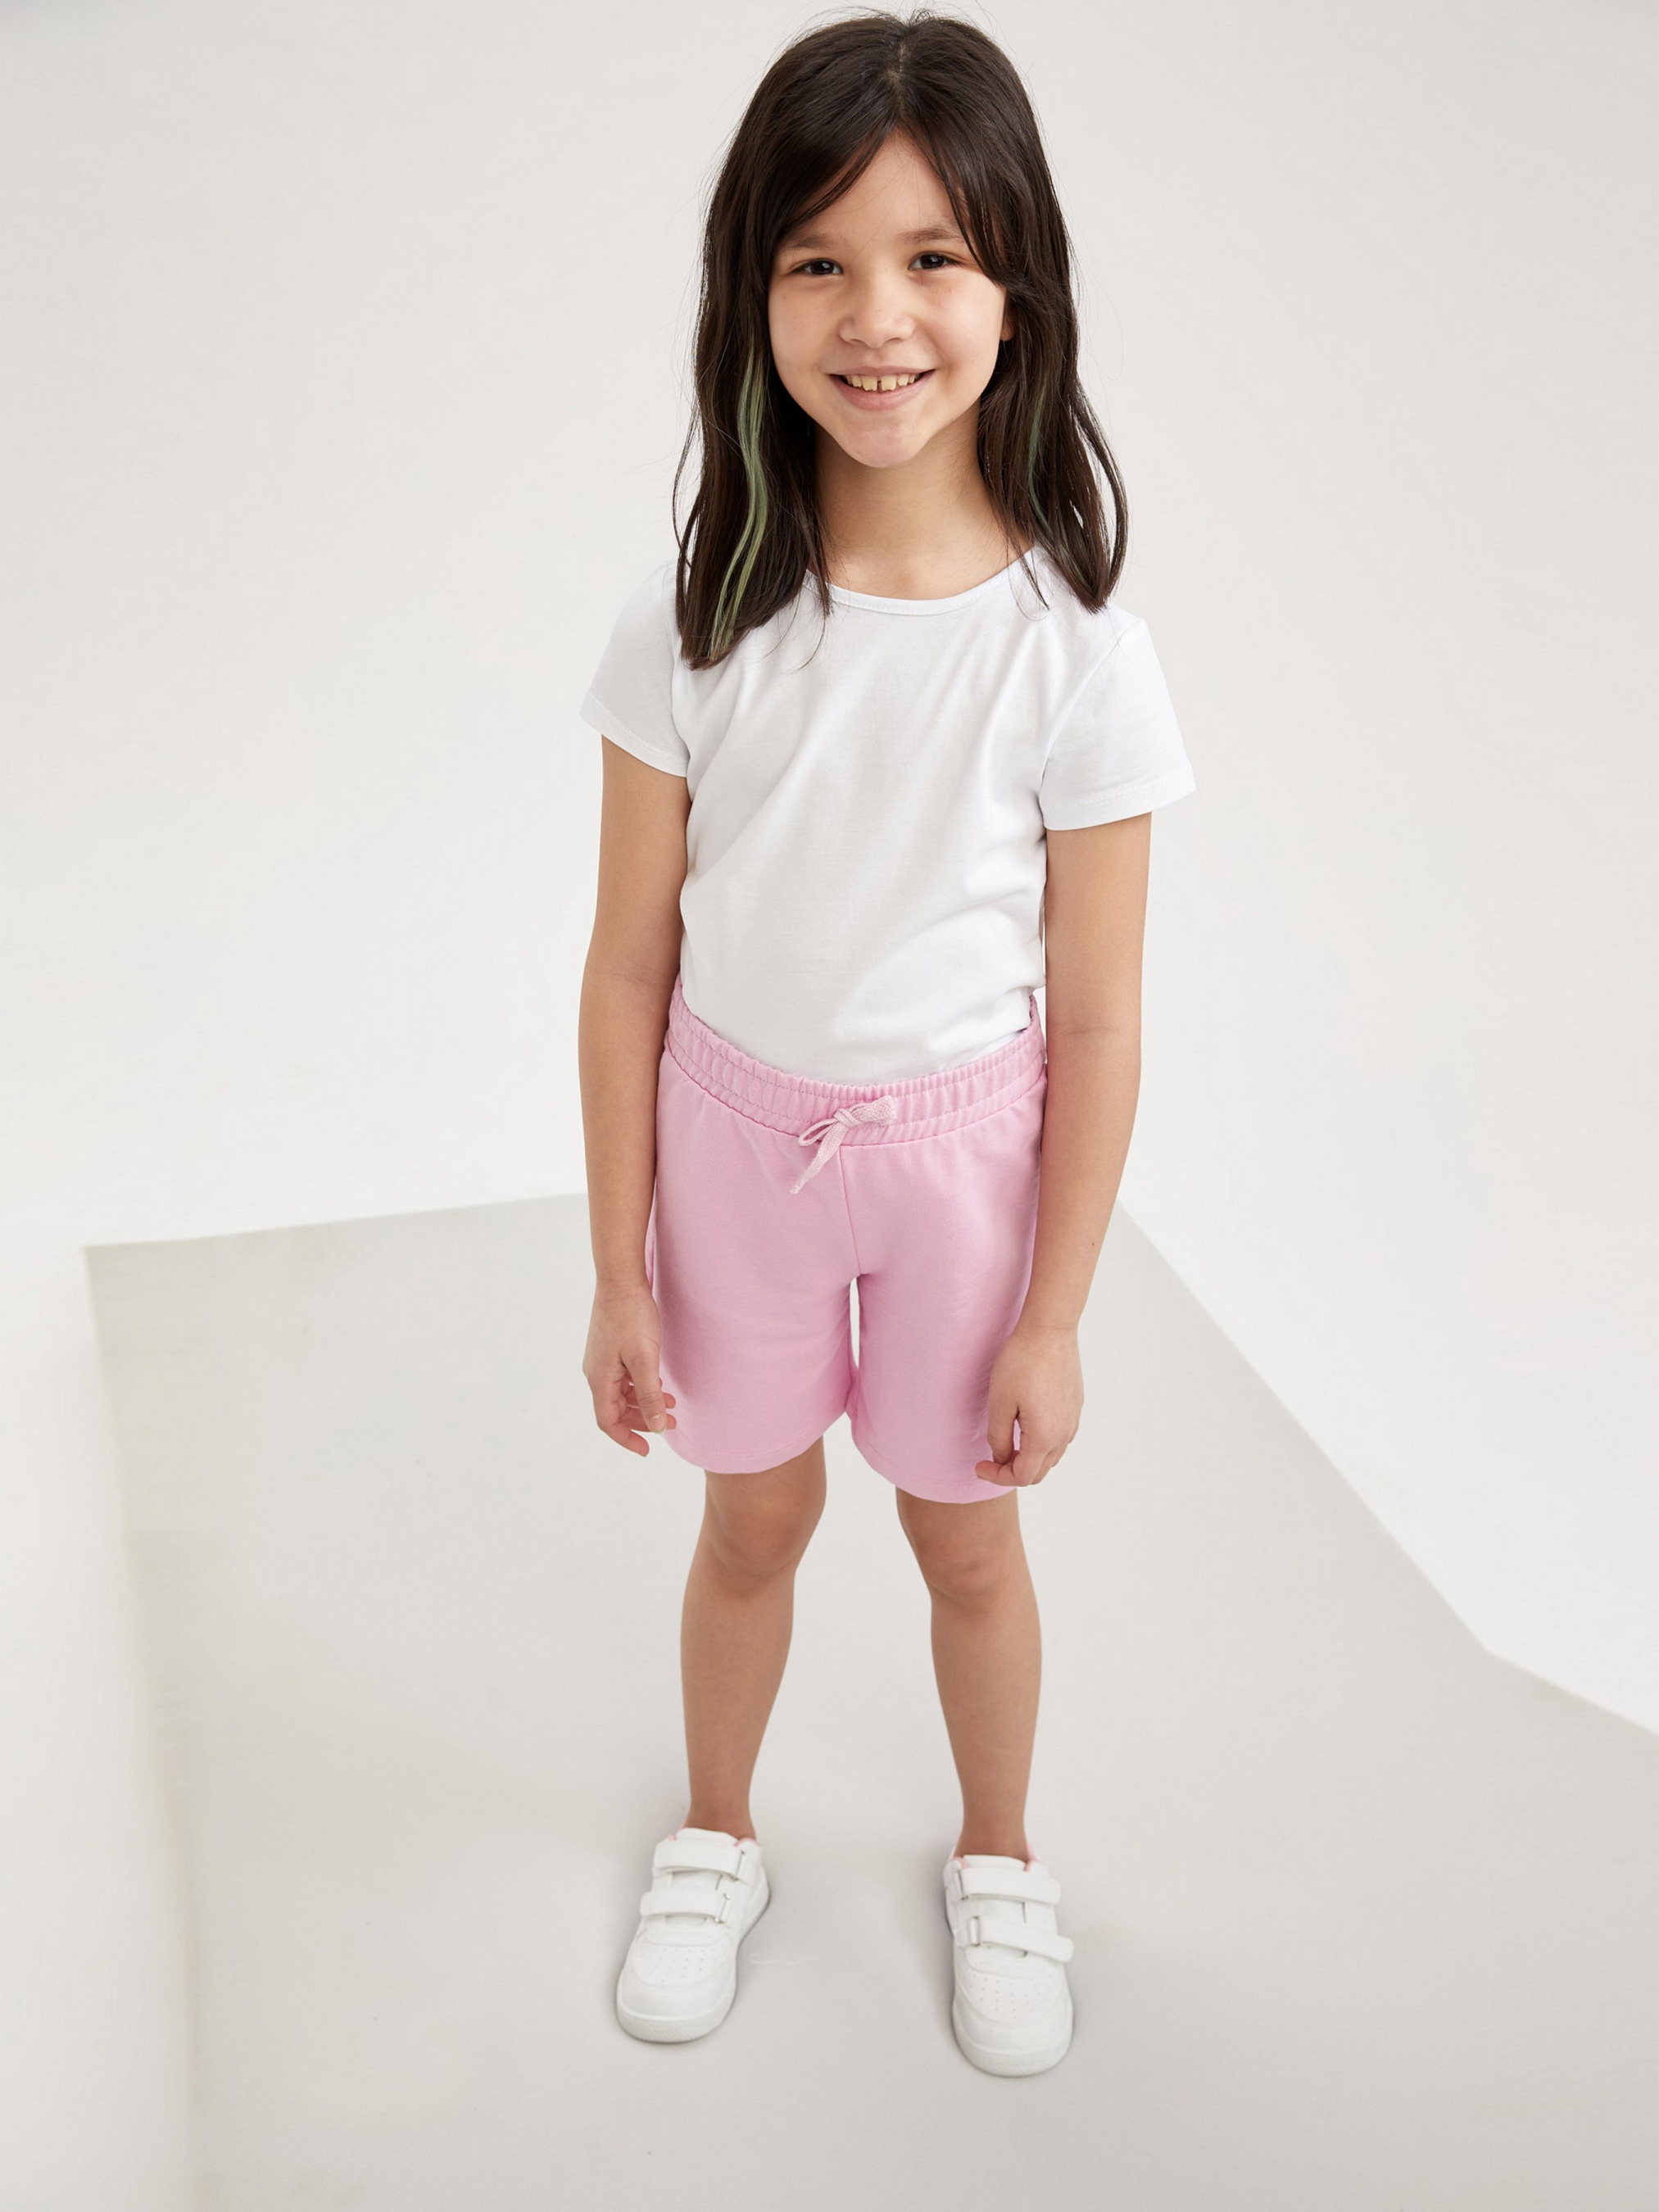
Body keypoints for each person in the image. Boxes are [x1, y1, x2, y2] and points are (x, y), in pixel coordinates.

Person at [576, 10, 1194, 2078]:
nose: (875, 318)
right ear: (749, 293)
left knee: (965, 1541)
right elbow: (626, 972)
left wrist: (1055, 1315)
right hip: (730, 1155)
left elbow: (1096, 1016)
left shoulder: (1075, 654)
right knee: (748, 1524)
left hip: (962, 1178)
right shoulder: (694, 621)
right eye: (817, 261)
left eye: (932, 257)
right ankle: (715, 1834)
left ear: (1014, 291)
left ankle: (997, 1857)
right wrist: (614, 1271)